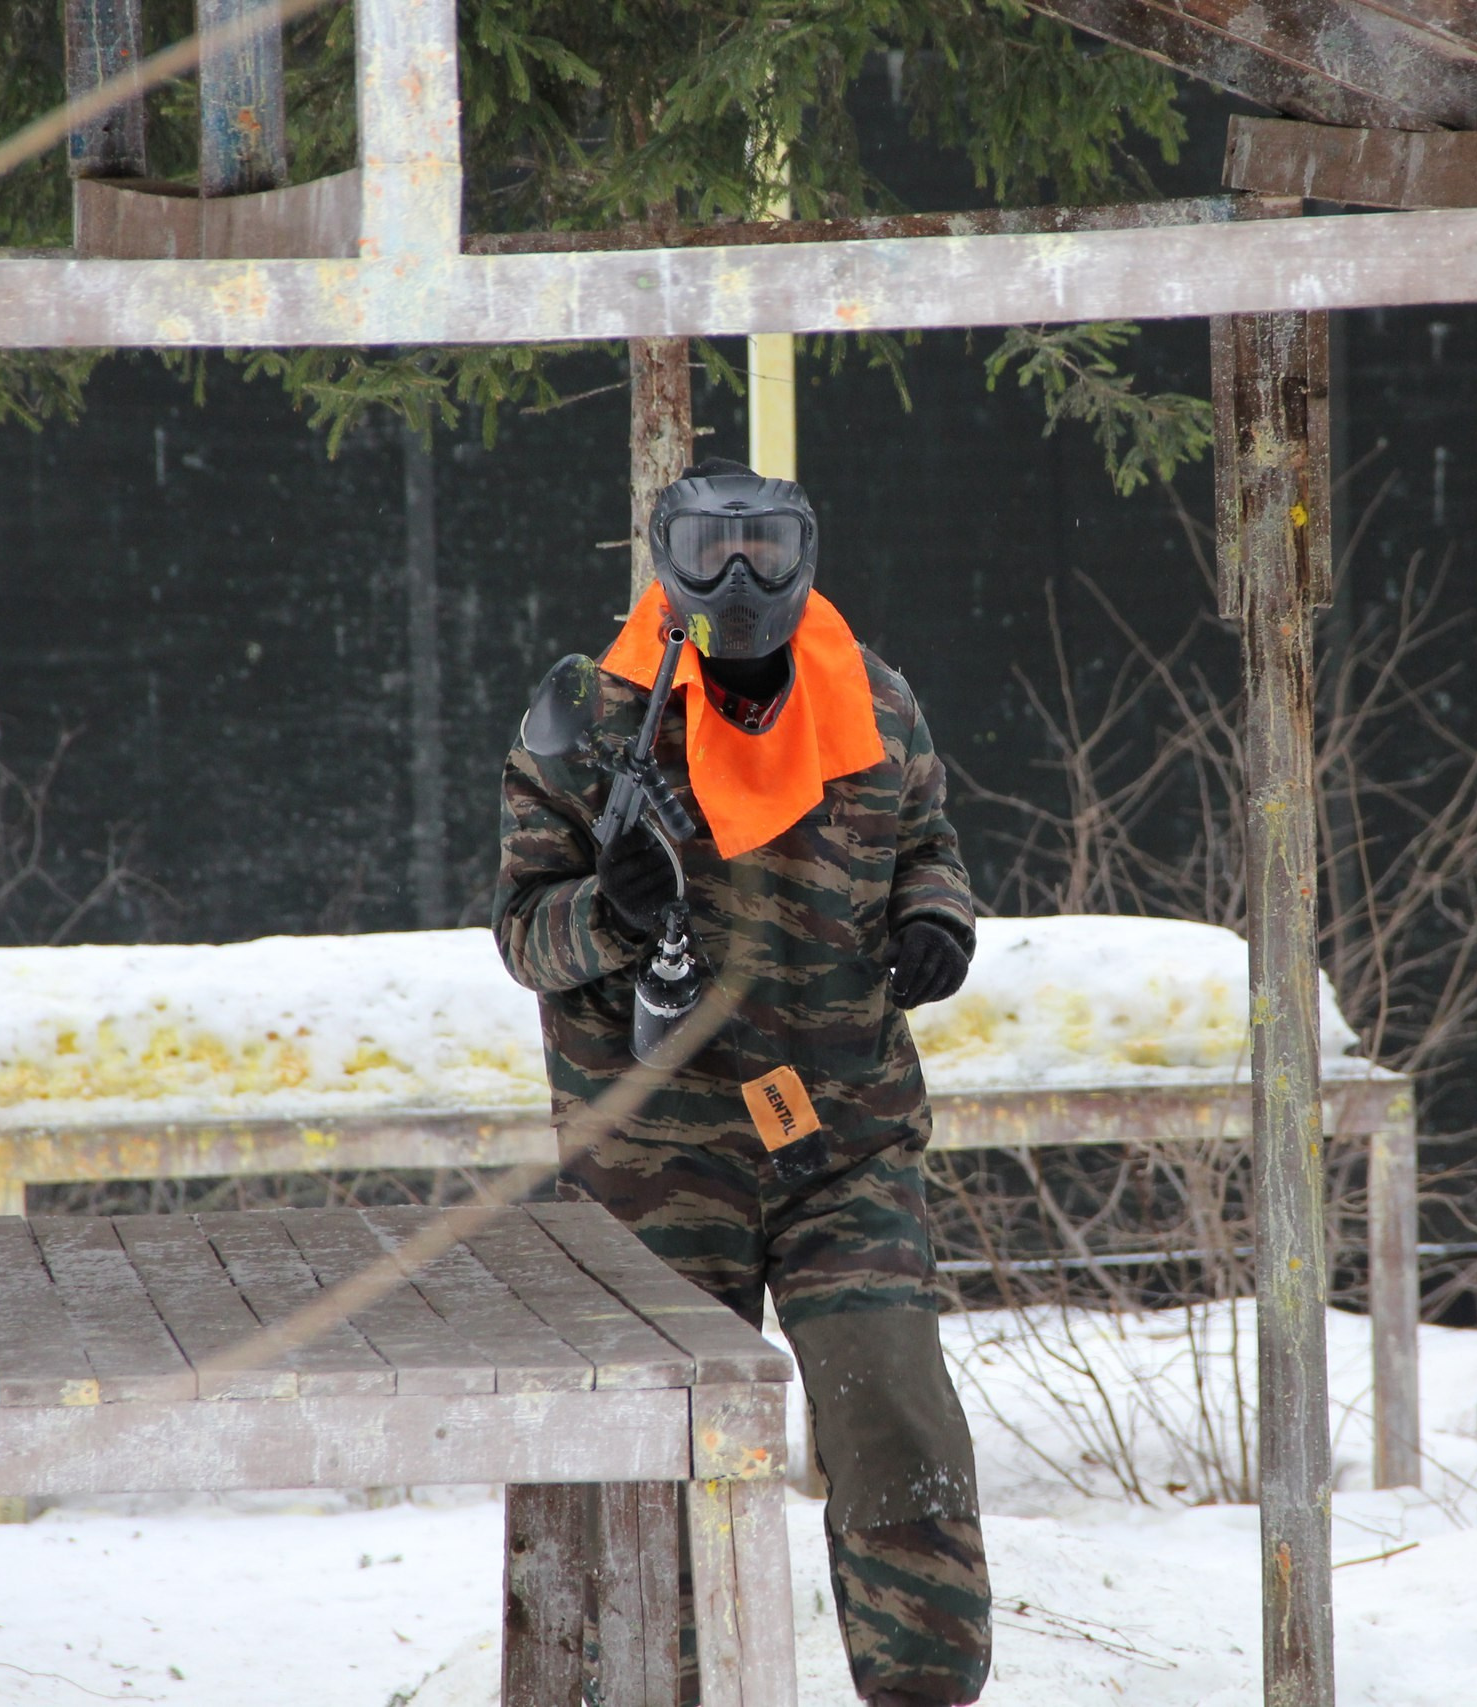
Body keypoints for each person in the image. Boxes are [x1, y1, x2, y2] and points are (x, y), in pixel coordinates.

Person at [492, 458, 992, 1706]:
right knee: (644, 1462)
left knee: (894, 1418)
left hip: (844, 1133)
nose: (740, 576)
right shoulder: (591, 715)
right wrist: (607, 913)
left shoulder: (868, 698)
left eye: (767, 544)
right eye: (711, 548)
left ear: (807, 552)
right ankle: (640, 1689)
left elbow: (929, 843)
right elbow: (519, 933)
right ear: (664, 558)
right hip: (653, 1152)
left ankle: (923, 1689)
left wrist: (938, 921)